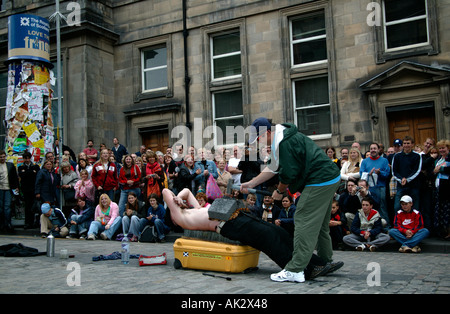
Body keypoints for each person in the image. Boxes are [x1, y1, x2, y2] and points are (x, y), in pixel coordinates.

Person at [163, 188, 344, 281]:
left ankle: (318, 264)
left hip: (236, 216)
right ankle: (301, 270)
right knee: (268, 239)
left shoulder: (194, 209)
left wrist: (180, 195)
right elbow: (165, 191)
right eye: (174, 200)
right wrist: (175, 197)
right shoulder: (180, 217)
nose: (176, 199)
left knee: (278, 231)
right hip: (229, 226)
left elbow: (186, 191)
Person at [241, 118, 341, 283]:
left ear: (266, 132)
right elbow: (272, 168)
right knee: (320, 224)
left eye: (258, 138)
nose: (258, 143)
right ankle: (324, 261)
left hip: (319, 180)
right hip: (329, 177)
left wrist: (280, 191)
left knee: (302, 219)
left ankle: (295, 269)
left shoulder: (283, 142)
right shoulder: (279, 139)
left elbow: (287, 173)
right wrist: (251, 183)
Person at [360, 143, 391, 227]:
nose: (373, 150)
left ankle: (386, 227)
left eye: (375, 148)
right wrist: (368, 174)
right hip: (370, 188)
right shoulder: (365, 161)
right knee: (371, 208)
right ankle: (373, 226)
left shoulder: (384, 160)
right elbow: (361, 174)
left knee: (382, 207)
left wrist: (379, 172)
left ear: (378, 150)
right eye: (371, 148)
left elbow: (387, 173)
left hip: (381, 187)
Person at [18, 151, 40, 229]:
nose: (27, 160)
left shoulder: (35, 166)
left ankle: (33, 222)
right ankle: (27, 222)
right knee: (27, 206)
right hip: (26, 190)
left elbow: (36, 176)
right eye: (25, 158)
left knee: (34, 207)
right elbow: (22, 175)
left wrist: (27, 173)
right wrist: (31, 173)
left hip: (33, 189)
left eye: (28, 158)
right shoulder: (20, 167)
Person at [433, 139, 450, 239]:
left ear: (448, 148)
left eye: (443, 148)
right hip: (439, 187)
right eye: (440, 148)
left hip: (447, 188)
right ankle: (443, 231)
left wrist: (441, 169)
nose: (441, 150)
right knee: (441, 210)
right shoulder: (439, 159)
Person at [0, 151, 19, 233]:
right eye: (1, 157)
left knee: (7, 208)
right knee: (0, 208)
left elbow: (15, 178)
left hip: (8, 188)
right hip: (0, 188)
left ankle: (8, 224)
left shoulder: (10, 165)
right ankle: (1, 224)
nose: (2, 158)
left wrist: (16, 187)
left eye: (3, 156)